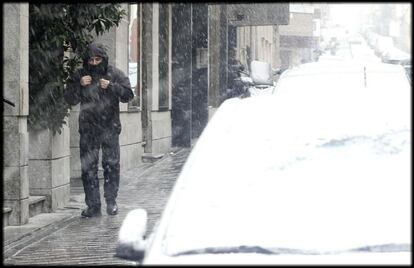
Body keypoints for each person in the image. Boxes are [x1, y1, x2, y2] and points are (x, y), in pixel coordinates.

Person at [64, 42, 134, 217]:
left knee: (111, 165)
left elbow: (128, 95)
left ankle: (111, 202)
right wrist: (79, 84)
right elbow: (69, 98)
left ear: (103, 59)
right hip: (88, 128)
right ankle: (93, 206)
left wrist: (111, 86)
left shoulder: (114, 74)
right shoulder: (80, 75)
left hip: (110, 127)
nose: (94, 63)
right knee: (88, 167)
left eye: (97, 59)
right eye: (91, 60)